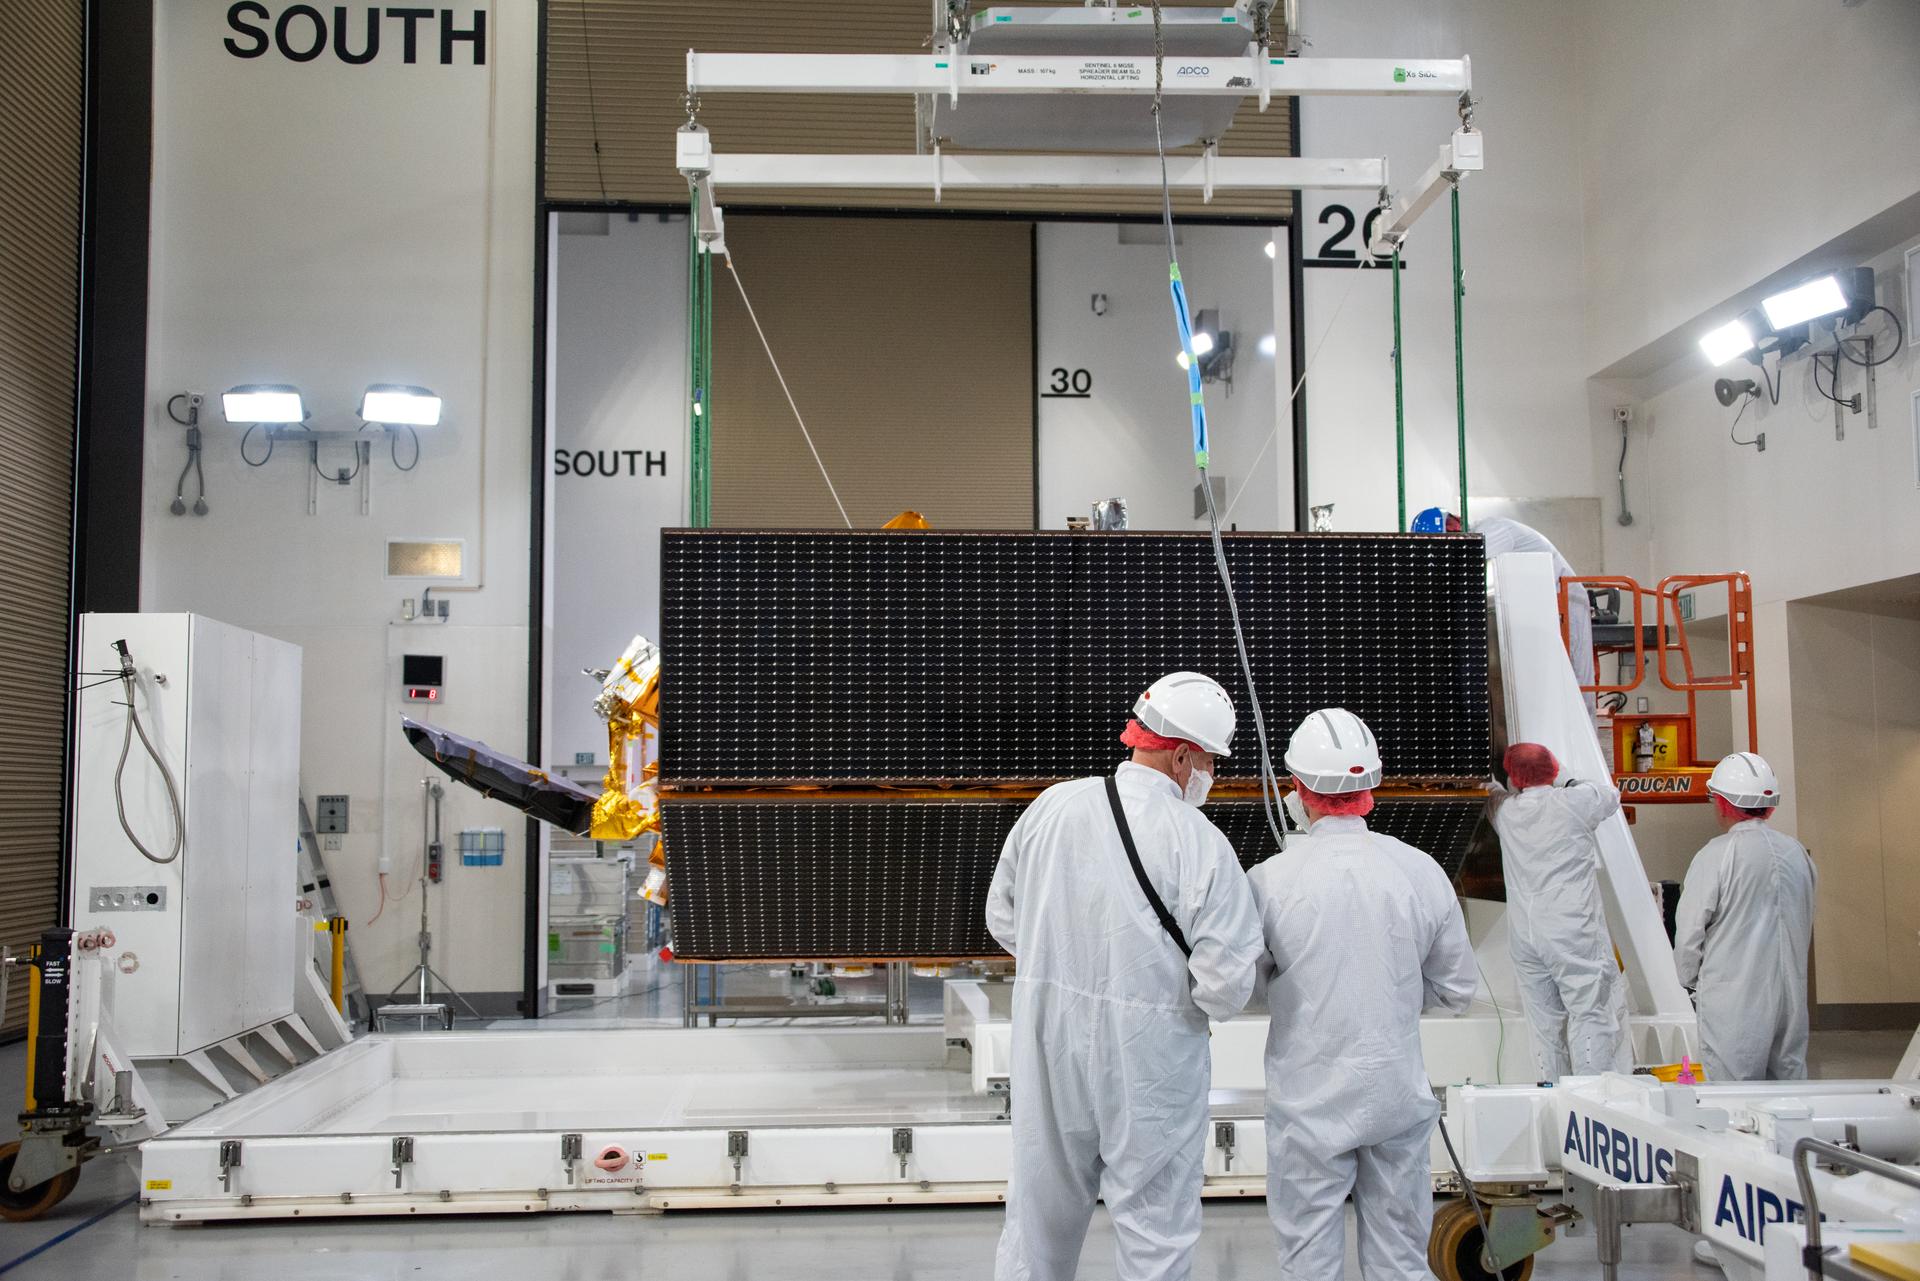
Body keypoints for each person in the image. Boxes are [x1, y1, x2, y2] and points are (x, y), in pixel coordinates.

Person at [986, 670, 1265, 1281]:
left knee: (1037, 1217)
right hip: (1152, 1059)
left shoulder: (1054, 805)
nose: (1211, 775)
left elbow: (1003, 916)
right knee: (1155, 1227)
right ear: (1183, 756)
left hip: (1049, 1041)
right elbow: (1225, 986)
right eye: (1210, 762)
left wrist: (1059, 964)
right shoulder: (1201, 842)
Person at [1247, 708, 1477, 1281]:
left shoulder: (1269, 880)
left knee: (1308, 1259)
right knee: (1401, 1257)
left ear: (1297, 787)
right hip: (1396, 1092)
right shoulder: (1421, 871)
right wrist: (1390, 994)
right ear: (1371, 786)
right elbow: (1456, 990)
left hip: (1308, 1101)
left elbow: (1244, 988)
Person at [1488, 741, 1631, 1079]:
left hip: (1526, 936)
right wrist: (1567, 779)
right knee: (1589, 1013)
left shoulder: (1505, 811)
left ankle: (1550, 1093)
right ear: (1553, 769)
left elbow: (1489, 791)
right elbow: (1610, 795)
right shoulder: (1574, 802)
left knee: (1544, 1025)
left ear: (1514, 779)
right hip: (1572, 932)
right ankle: (1592, 1094)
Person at [1674, 752, 1815, 1081]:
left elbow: (1690, 933)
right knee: (1789, 1090)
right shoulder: (1797, 853)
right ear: (1770, 807)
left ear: (1723, 804)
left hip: (1733, 1001)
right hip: (1791, 997)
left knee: (1734, 1095)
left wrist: (1690, 981)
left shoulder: (1716, 855)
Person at [1413, 507, 1597, 702]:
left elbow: (1467, 565)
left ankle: (1586, 722)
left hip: (1566, 601)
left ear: (1454, 524)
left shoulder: (1491, 530)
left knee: (1576, 674)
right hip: (1541, 606)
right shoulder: (1481, 535)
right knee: (1553, 678)